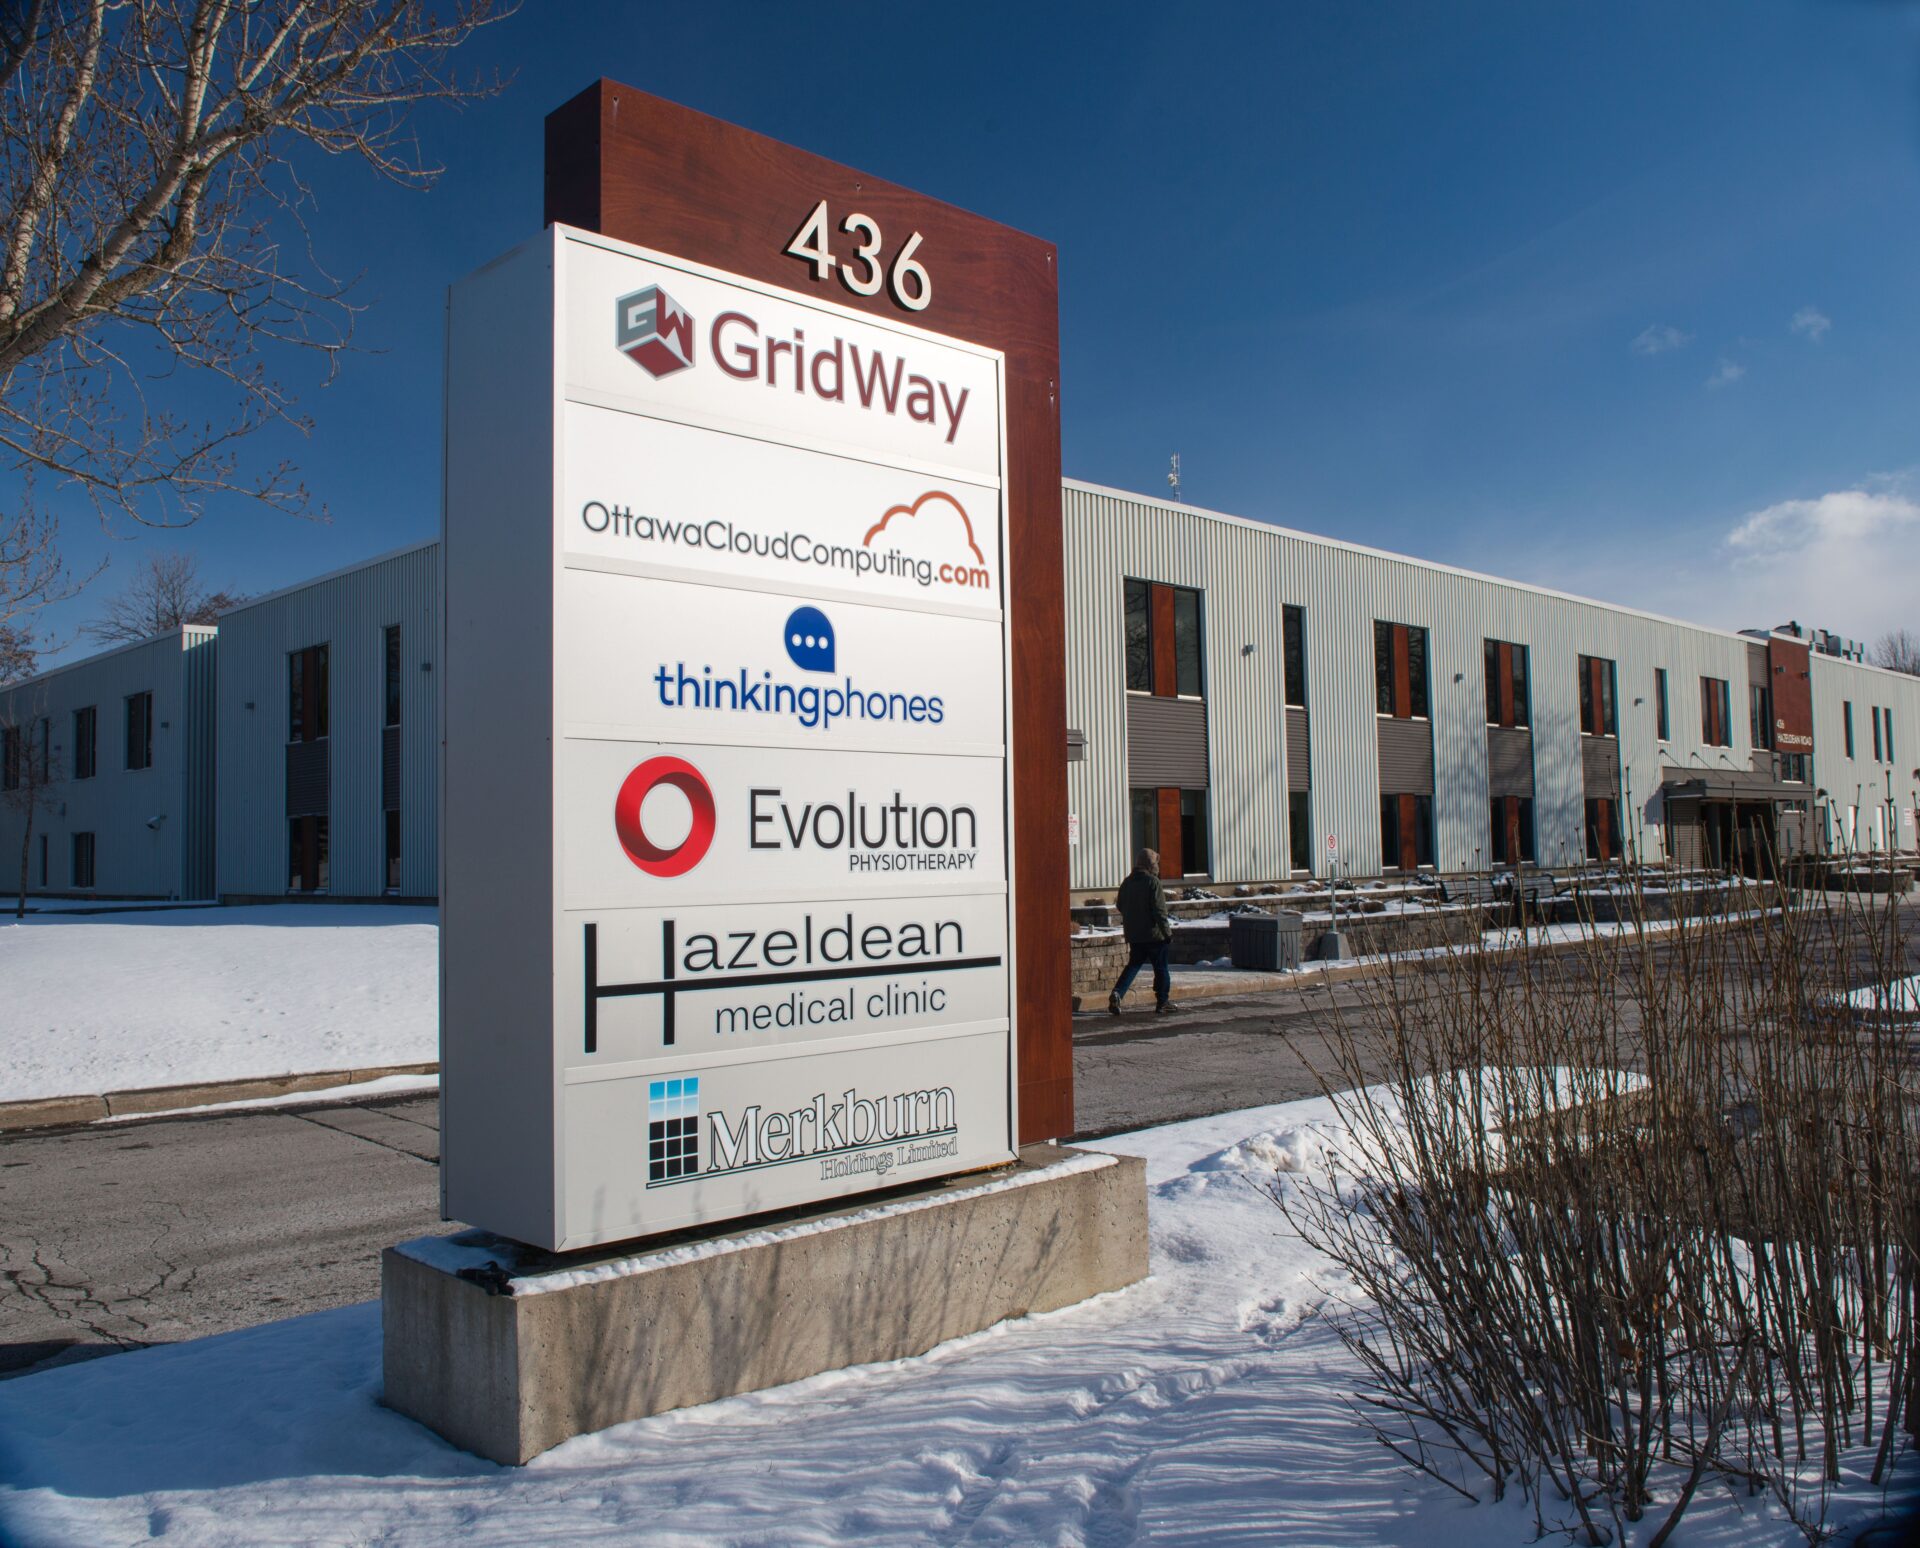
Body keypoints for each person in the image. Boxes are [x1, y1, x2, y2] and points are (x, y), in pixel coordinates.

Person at [1109, 847, 1179, 1015]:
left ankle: (1117, 992)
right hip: (1154, 935)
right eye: (1155, 863)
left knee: (1133, 965)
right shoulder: (1152, 882)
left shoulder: (1127, 882)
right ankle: (1162, 1001)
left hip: (1134, 934)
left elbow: (1120, 905)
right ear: (1150, 864)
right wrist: (1167, 933)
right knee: (1161, 968)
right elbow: (1159, 911)